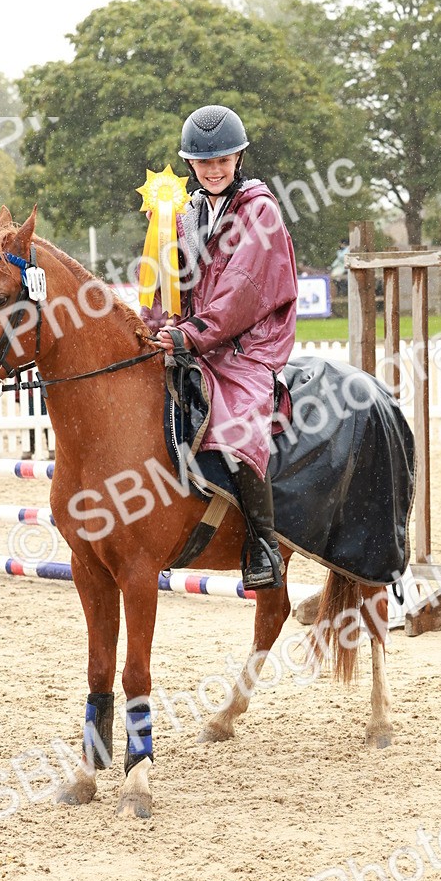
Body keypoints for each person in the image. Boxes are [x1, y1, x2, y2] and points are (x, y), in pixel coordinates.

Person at [143, 103, 298, 589]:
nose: (214, 170)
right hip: (196, 340)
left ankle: (264, 545)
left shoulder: (260, 211)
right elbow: (164, 279)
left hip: (246, 345)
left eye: (223, 160)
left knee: (236, 423)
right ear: (190, 165)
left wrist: (192, 333)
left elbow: (243, 290)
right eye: (204, 162)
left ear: (239, 159)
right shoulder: (185, 213)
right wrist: (152, 326)